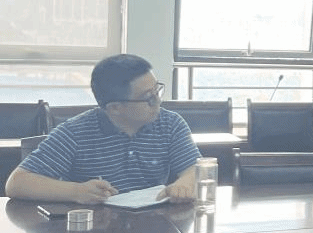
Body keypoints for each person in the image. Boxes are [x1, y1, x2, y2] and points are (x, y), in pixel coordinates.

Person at [5, 54, 199, 203]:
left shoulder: (170, 123)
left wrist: (184, 183)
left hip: (155, 227)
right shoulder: (75, 133)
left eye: (157, 90)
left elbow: (195, 169)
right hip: (95, 230)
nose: (157, 101)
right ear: (115, 108)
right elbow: (17, 183)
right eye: (148, 97)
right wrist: (76, 192)